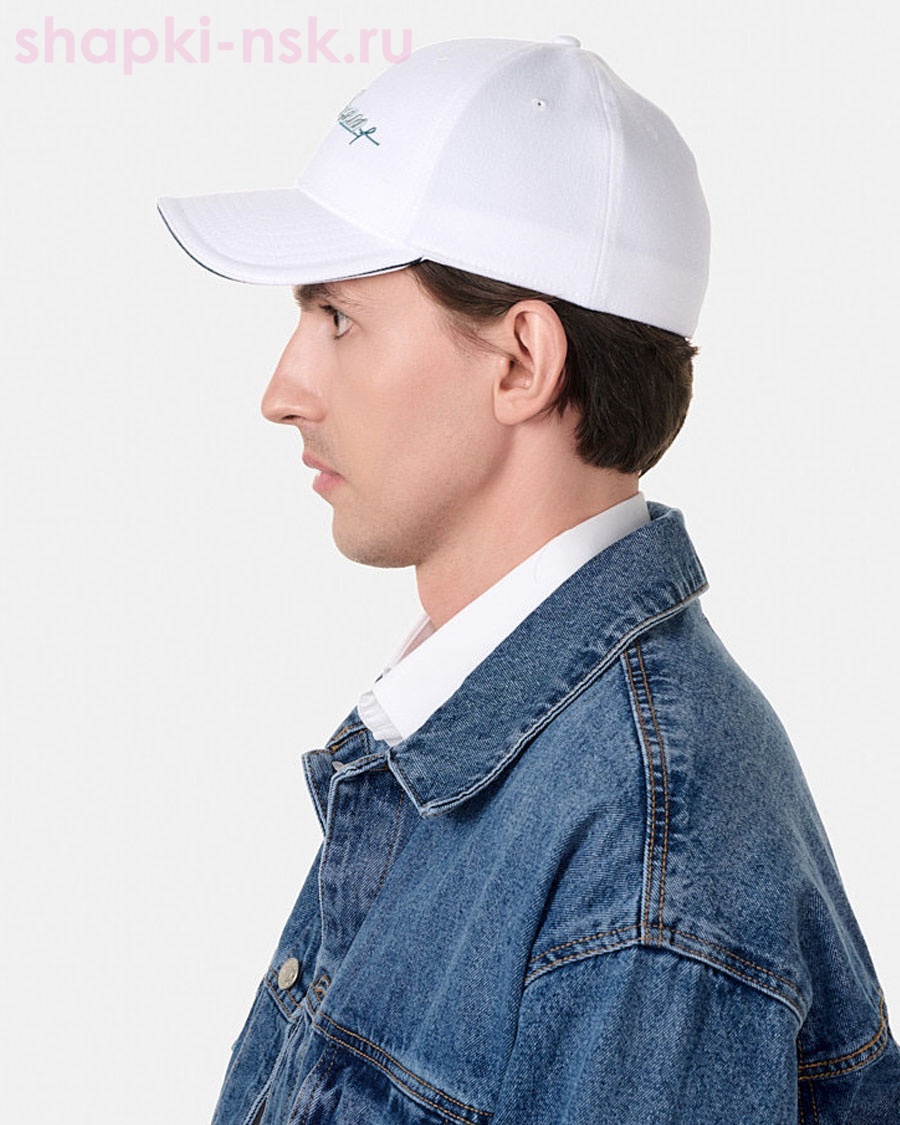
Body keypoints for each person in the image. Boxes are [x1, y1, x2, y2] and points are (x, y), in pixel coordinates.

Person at [158, 34, 900, 1125]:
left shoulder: (640, 858)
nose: (284, 390)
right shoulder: (486, 745)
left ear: (521, 361)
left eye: (338, 316)